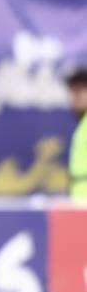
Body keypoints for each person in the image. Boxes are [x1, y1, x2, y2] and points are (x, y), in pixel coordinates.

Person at [63, 64, 87, 200]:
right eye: (73, 91)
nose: (76, 96)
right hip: (80, 202)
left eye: (81, 90)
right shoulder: (82, 124)